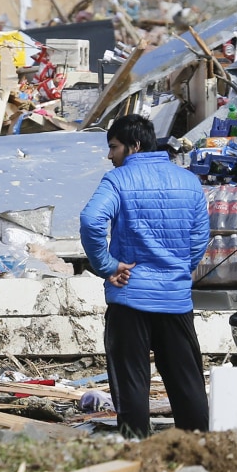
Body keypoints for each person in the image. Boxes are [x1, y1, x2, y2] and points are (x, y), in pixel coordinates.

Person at [79, 114, 211, 439]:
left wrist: (108, 266)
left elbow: (91, 221)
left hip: (130, 299)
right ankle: (198, 447)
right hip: (175, 300)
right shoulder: (189, 182)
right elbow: (199, 239)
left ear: (133, 146)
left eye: (114, 147)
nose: (110, 156)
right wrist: (178, 270)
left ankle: (136, 447)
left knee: (131, 380)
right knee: (186, 379)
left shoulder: (118, 181)